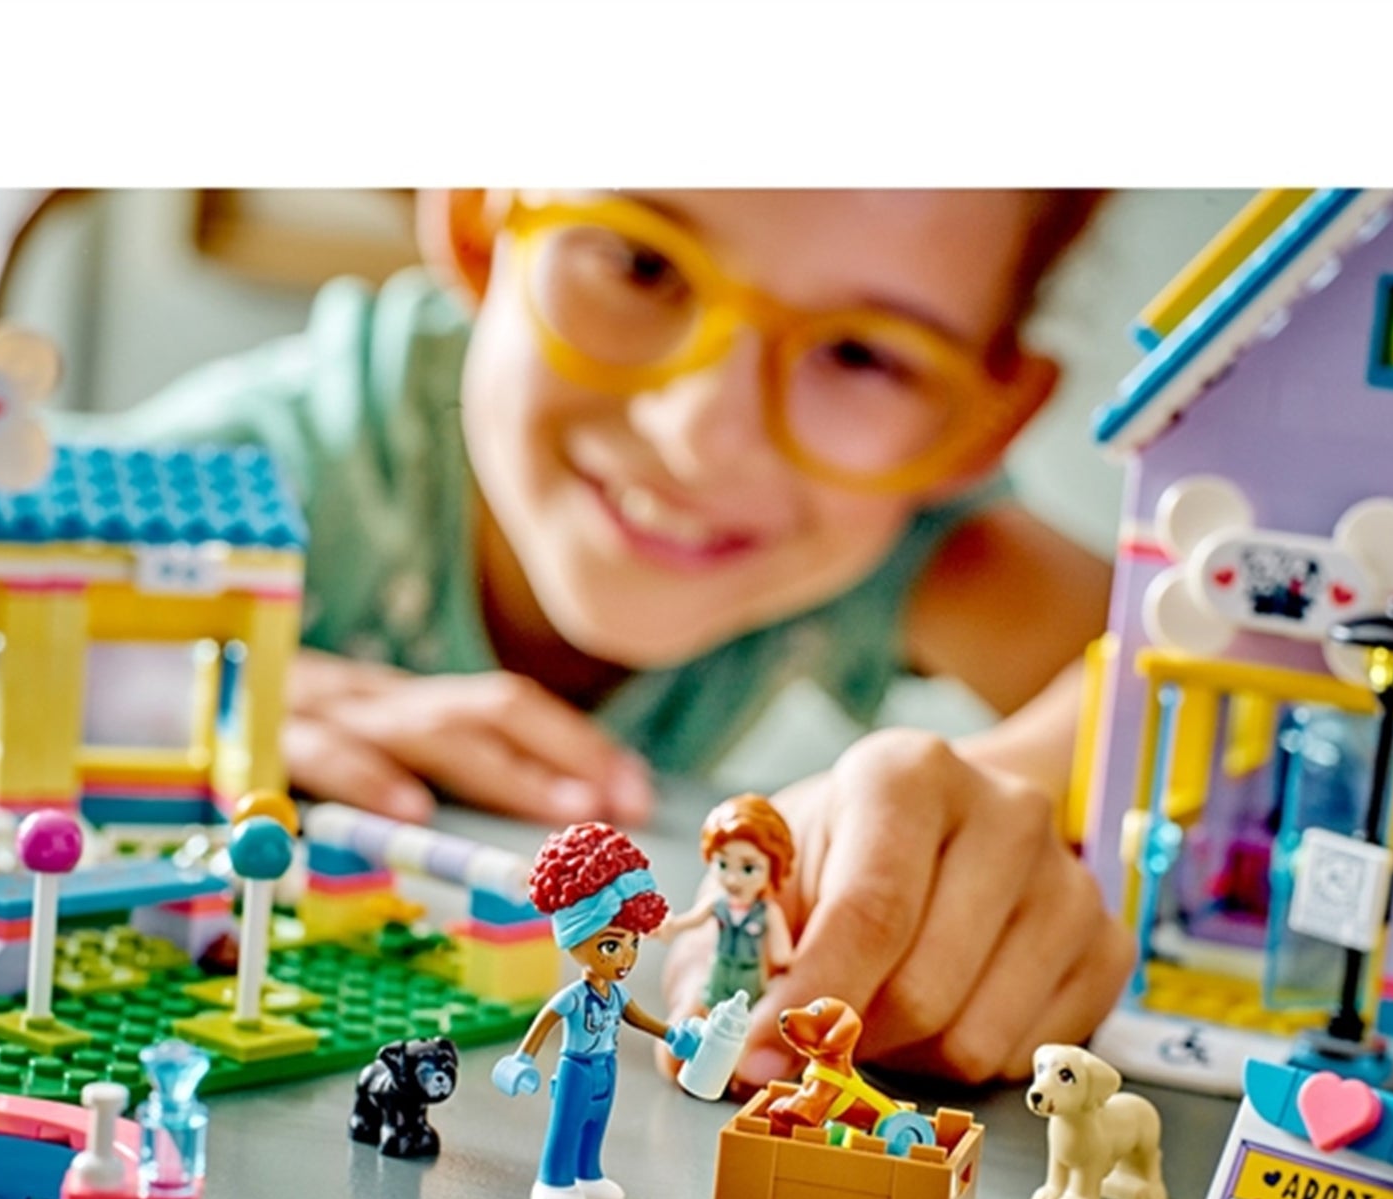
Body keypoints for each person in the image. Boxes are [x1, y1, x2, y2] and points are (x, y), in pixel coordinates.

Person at [61, 188, 1133, 1087]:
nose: (699, 434)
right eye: (642, 264)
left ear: (976, 429)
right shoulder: (277, 464)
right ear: (479, 219)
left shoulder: (902, 539)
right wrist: (131, 681)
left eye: (860, 354)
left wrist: (993, 794)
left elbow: (1194, 656)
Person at [491, 821, 698, 1199]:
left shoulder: (616, 995)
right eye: (611, 945)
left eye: (633, 943)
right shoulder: (573, 997)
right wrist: (522, 1059)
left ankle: (588, 1174)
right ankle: (554, 1180)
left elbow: (637, 1018)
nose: (626, 958)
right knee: (566, 1126)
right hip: (577, 1069)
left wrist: (673, 1035)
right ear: (576, 939)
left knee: (595, 1125)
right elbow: (546, 1020)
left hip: (606, 1066)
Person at [655, 792, 795, 1013]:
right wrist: (671, 926)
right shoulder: (717, 904)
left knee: (746, 1016)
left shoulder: (767, 911)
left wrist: (784, 960)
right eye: (723, 864)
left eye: (748, 868)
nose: (732, 879)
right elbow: (694, 919)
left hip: (749, 974)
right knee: (712, 1009)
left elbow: (781, 949)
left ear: (774, 868)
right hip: (720, 968)